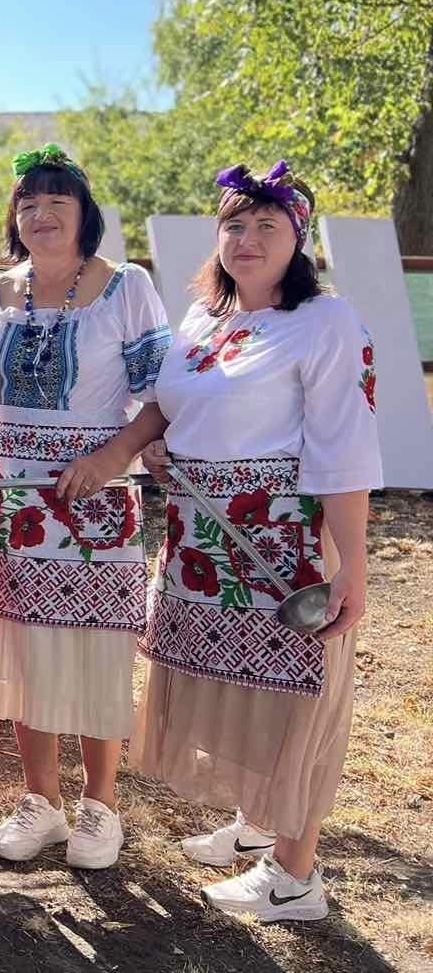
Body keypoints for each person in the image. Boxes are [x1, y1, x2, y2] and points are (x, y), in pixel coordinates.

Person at [133, 161, 380, 921]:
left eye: (267, 225)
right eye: (234, 224)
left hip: (284, 543)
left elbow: (342, 447)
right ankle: (255, 822)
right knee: (241, 689)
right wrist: (161, 445)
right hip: (203, 539)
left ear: (297, 241)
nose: (247, 238)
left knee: (296, 697)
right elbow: (176, 408)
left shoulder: (327, 321)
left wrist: (353, 569)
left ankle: (295, 877)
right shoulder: (204, 319)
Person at [0, 143, 171, 870]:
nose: (41, 215)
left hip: (95, 500)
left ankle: (100, 804)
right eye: (27, 203)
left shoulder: (127, 286)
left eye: (57, 201)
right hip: (9, 500)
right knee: (27, 649)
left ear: (85, 214)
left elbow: (160, 396)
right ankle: (41, 799)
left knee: (94, 650)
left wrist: (113, 457)